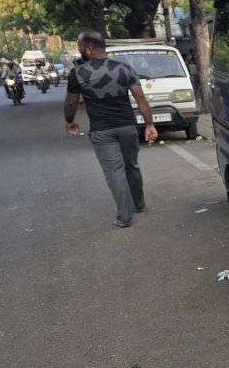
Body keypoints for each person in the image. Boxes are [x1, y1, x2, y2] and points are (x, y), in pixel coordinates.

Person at [63, 31, 158, 228]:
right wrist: (149, 124)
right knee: (131, 165)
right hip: (127, 126)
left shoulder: (78, 73)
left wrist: (70, 121)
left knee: (114, 171)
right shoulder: (124, 68)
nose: (80, 51)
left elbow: (71, 103)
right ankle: (139, 203)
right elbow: (140, 98)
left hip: (101, 130)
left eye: (80, 47)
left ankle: (125, 216)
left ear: (88, 49)